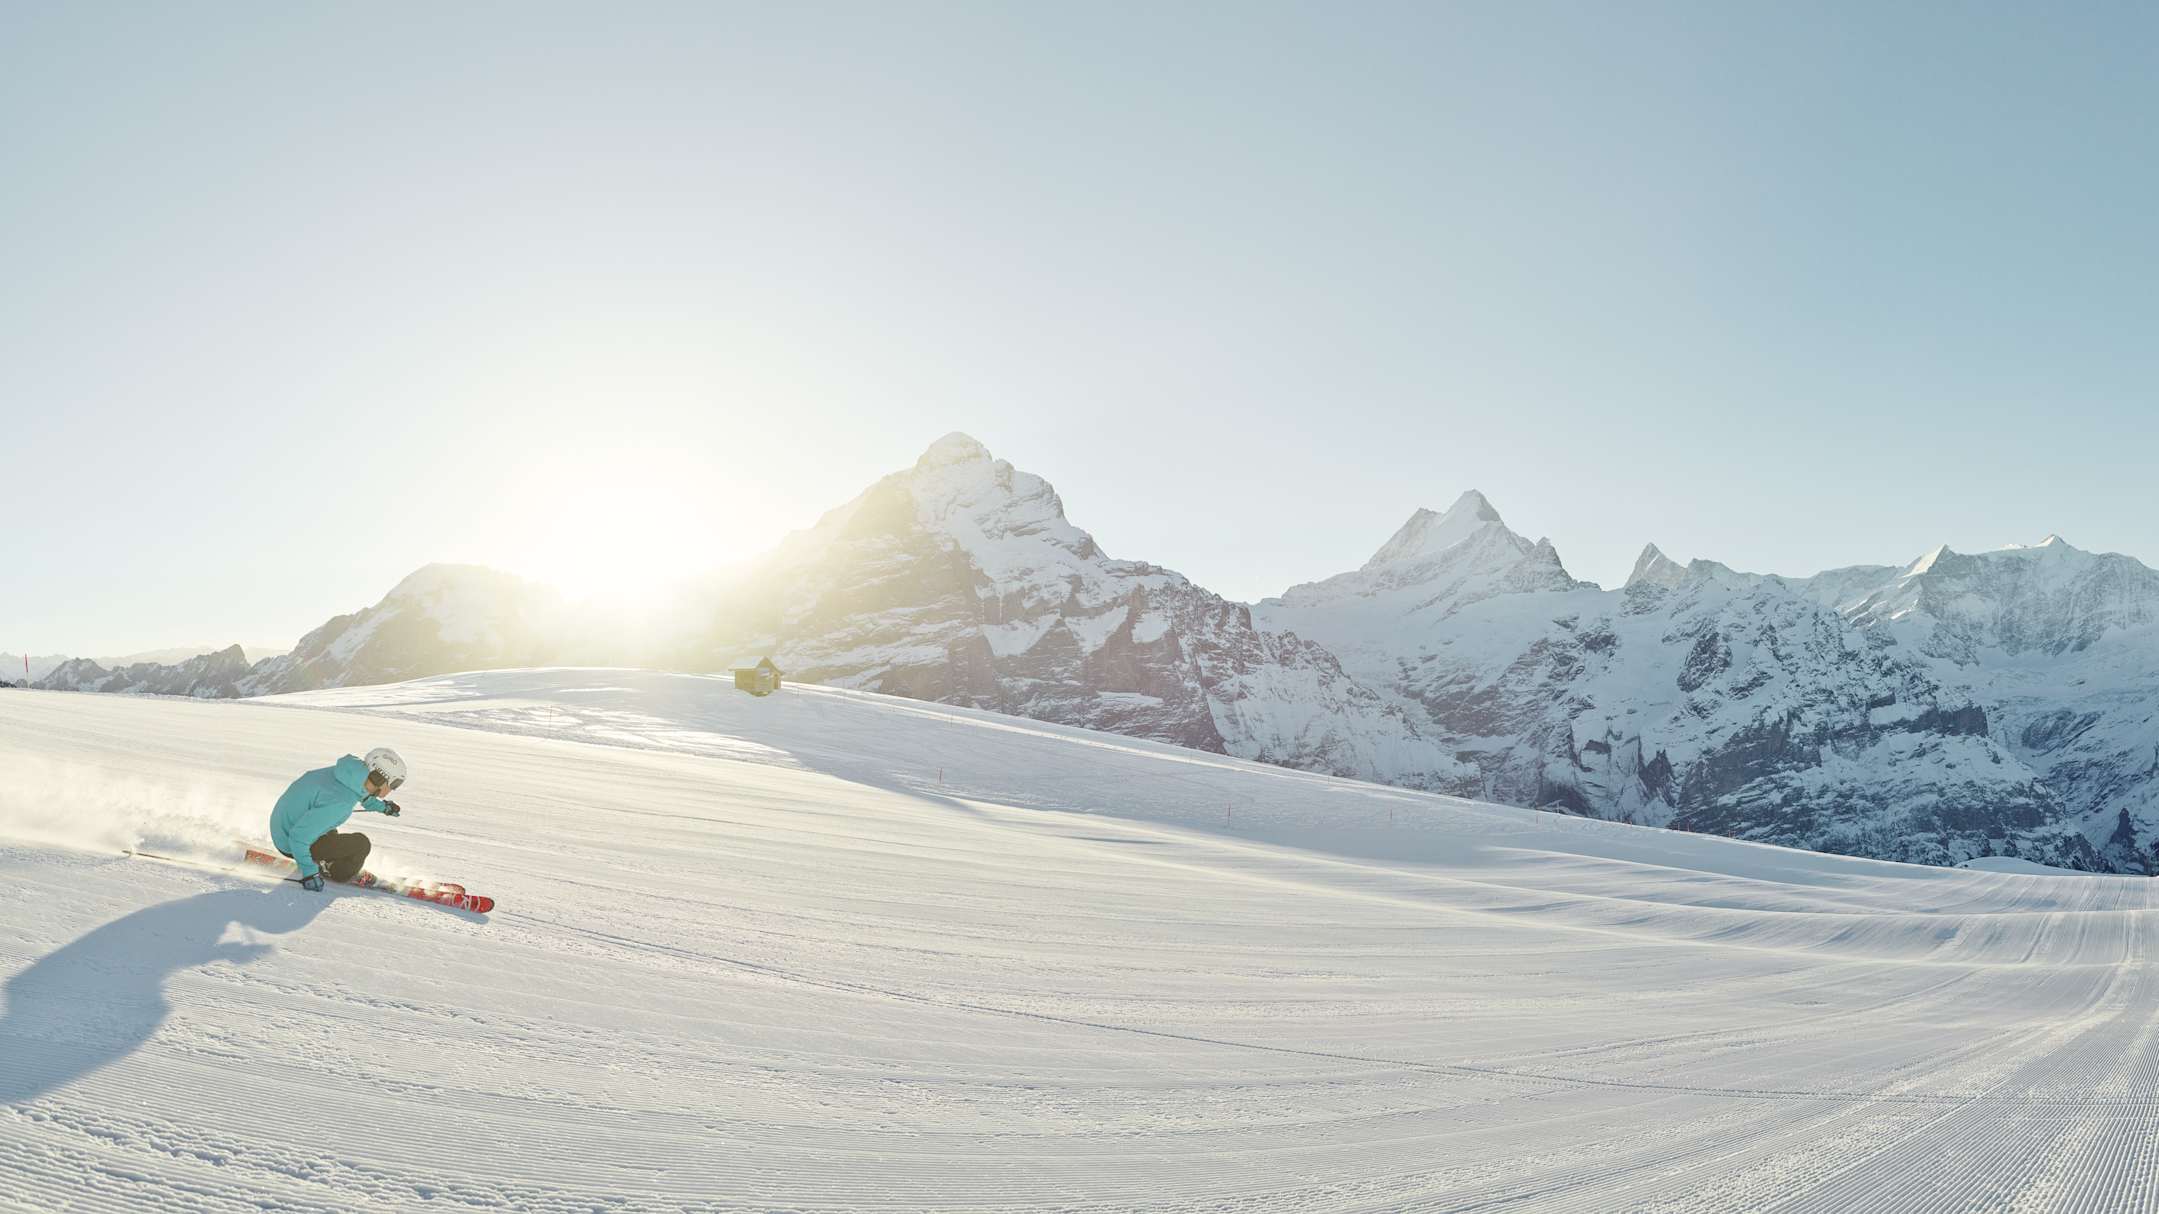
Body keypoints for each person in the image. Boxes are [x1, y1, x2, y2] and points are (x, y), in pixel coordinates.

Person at [269, 747, 407, 891]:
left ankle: (326, 861)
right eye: (394, 784)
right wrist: (310, 874)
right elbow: (298, 838)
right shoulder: (341, 802)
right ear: (380, 777)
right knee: (361, 844)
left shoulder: (349, 775)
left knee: (331, 832)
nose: (393, 790)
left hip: (284, 827)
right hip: (289, 842)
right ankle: (336, 871)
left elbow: (362, 792)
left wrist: (383, 807)